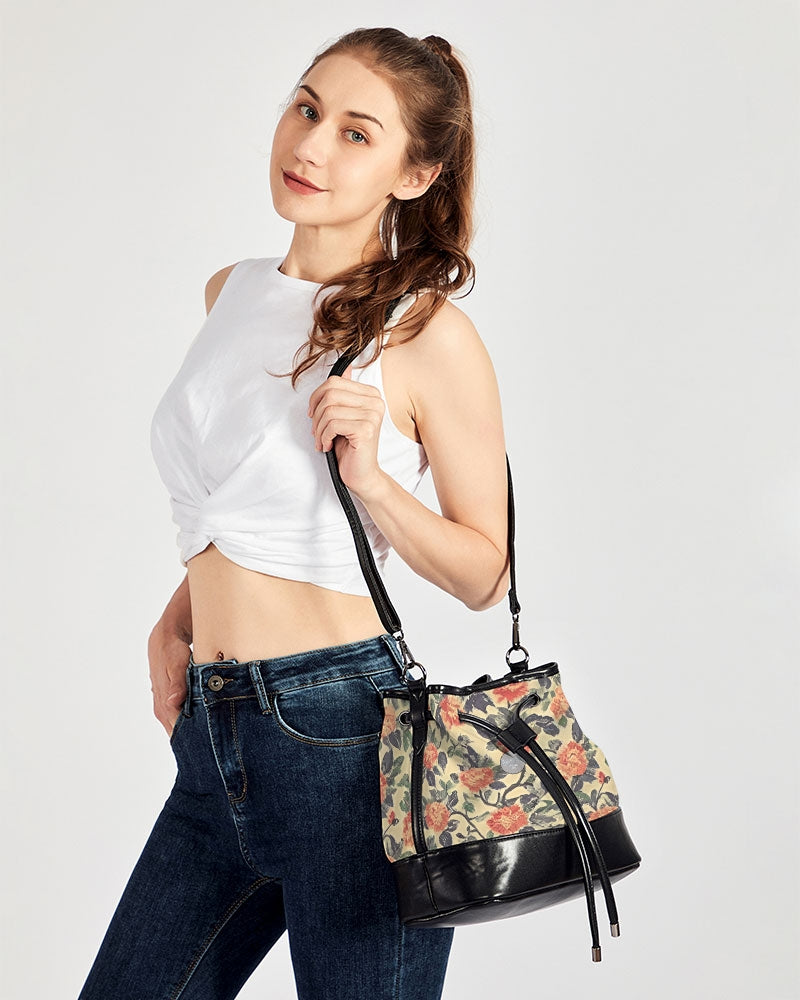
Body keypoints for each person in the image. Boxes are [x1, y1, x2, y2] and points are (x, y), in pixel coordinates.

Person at [77, 26, 510, 1000]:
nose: (310, 145)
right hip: (213, 737)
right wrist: (179, 615)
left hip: (344, 741)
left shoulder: (425, 332)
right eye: (306, 108)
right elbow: (242, 505)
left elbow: (486, 573)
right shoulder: (228, 292)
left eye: (357, 133)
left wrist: (375, 481)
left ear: (415, 174)